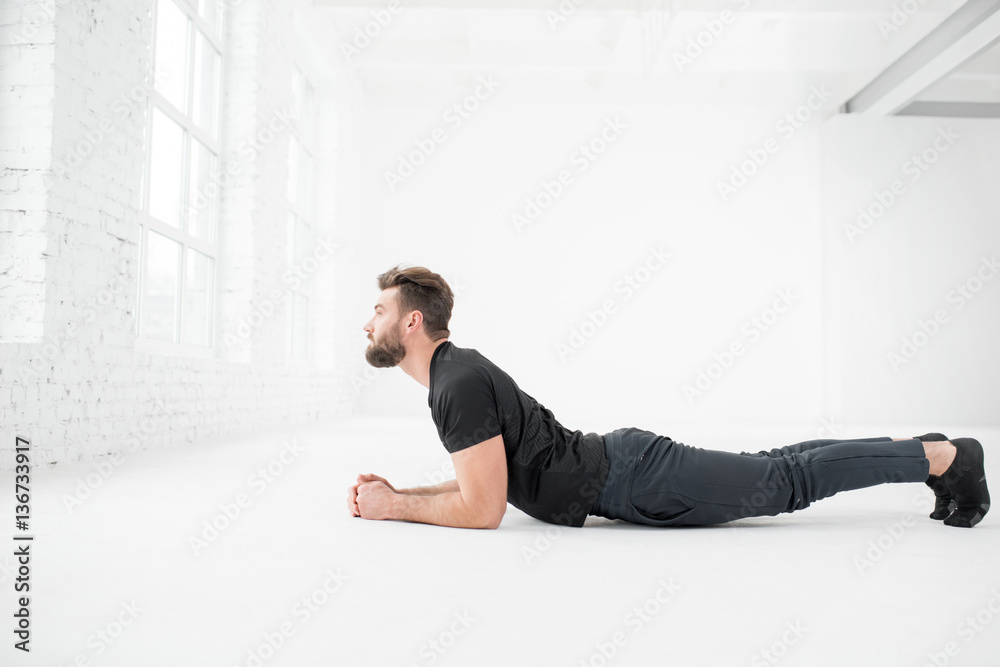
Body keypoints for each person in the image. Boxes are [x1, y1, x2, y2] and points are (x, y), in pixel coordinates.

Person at [346, 265, 990, 530]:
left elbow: (483, 509)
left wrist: (390, 510)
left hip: (633, 479)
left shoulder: (454, 384)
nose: (367, 322)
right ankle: (925, 452)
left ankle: (942, 459)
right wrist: (402, 494)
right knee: (781, 464)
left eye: (377, 311)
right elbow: (477, 482)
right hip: (627, 474)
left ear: (410, 324)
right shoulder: (452, 378)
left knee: (788, 481)